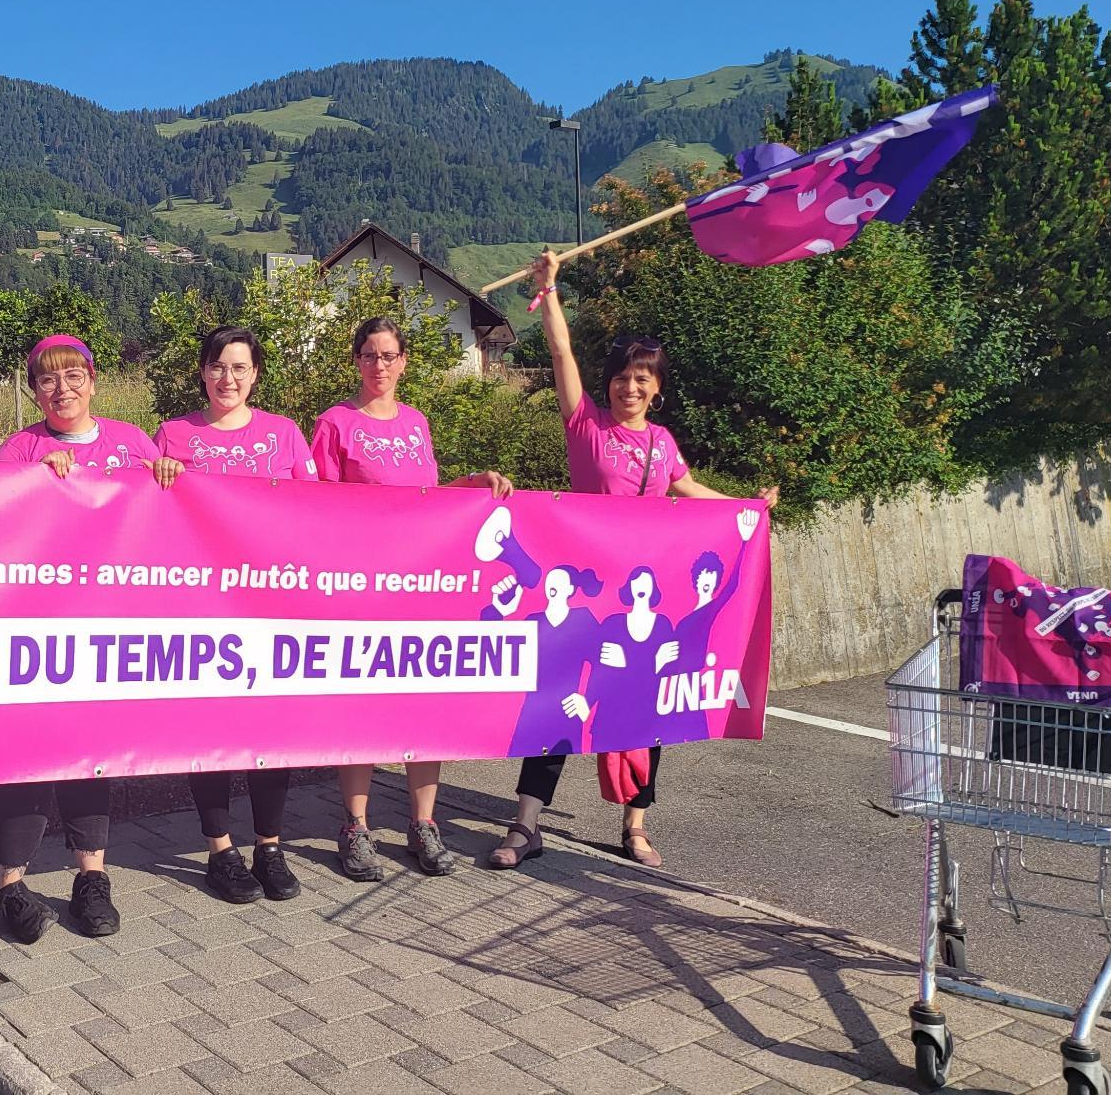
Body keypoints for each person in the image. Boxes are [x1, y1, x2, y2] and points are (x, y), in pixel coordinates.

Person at [488, 249, 777, 872]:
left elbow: (690, 491)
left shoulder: (662, 444)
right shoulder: (586, 427)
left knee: (647, 712)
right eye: (622, 376)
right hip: (588, 601)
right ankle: (525, 824)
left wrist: (748, 509)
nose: (630, 387)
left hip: (643, 603)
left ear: (657, 389)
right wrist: (550, 290)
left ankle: (635, 825)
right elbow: (561, 354)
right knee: (560, 701)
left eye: (643, 378)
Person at [0, 334, 181, 943]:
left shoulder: (132, 443)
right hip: (36, 629)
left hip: (106, 628)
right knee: (26, 757)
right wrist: (32, 483)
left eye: (74, 376)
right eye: (47, 379)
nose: (62, 389)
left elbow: (169, 521)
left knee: (91, 753)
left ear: (93, 381)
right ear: (34, 390)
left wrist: (169, 474)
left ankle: (91, 879)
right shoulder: (20, 448)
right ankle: (10, 886)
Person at [312, 316, 514, 882]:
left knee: (424, 705)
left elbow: (428, 501)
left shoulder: (417, 422)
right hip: (363, 589)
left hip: (421, 588)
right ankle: (355, 827)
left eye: (388, 355)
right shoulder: (335, 422)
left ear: (403, 362)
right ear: (356, 360)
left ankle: (423, 825)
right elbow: (315, 508)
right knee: (362, 705)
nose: (378, 365)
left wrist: (473, 483)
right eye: (369, 354)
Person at [154, 325, 315, 905]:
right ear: (203, 372)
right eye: (218, 366)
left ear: (255, 375)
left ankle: (269, 846)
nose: (228, 378)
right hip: (204, 608)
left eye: (240, 367)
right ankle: (220, 850)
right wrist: (160, 477)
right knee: (213, 730)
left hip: (272, 605)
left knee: (271, 729)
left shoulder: (285, 434)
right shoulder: (173, 434)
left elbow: (319, 510)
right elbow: (150, 512)